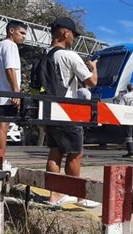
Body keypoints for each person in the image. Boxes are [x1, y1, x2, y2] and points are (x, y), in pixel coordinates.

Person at [45, 17, 98, 207]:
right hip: (66, 111)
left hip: (48, 111)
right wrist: (94, 68)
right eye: (74, 35)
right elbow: (91, 82)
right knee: (75, 152)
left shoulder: (45, 54)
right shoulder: (69, 55)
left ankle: (54, 195)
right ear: (65, 32)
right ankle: (77, 195)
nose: (74, 39)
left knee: (55, 152)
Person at [0, 20, 27, 157]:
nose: (24, 37)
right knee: (3, 126)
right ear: (11, 31)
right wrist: (16, 92)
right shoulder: (10, 45)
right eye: (22, 33)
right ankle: (0, 162)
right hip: (6, 96)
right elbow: (10, 69)